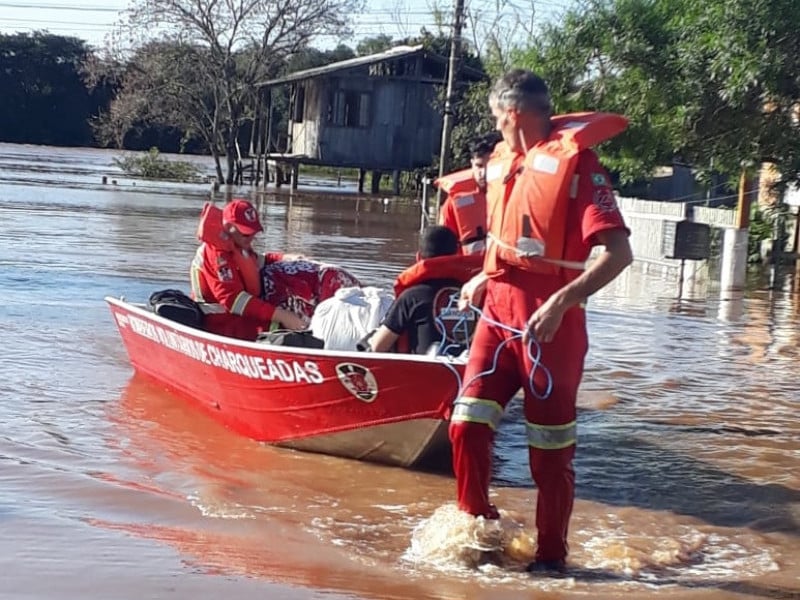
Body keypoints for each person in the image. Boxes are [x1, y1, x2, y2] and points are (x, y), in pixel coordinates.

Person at [448, 69, 633, 574]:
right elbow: (510, 241)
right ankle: (478, 529)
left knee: (549, 454)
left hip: (551, 328)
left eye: (494, 117)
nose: (495, 126)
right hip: (497, 316)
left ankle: (552, 559)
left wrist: (560, 303)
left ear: (511, 114)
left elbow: (619, 255)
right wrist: (484, 279)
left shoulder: (581, 166)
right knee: (465, 425)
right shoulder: (505, 161)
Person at [190, 199, 307, 340]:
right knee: (280, 330)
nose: (251, 238)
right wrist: (281, 315)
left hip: (236, 317)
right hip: (218, 323)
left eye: (253, 233)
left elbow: (259, 260)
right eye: (246, 234)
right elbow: (233, 300)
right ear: (228, 227)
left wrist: (285, 258)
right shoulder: (217, 254)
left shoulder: (238, 244)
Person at [367, 226, 483, 354]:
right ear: (457, 255)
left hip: (422, 370)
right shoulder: (475, 295)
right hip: (467, 368)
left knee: (369, 342)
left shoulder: (411, 297)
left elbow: (378, 346)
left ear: (418, 258)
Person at [436, 135, 498, 255]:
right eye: (479, 166)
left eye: (490, 166)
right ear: (472, 164)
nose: (483, 173)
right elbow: (442, 247)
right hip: (467, 270)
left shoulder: (514, 194)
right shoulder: (453, 202)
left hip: (503, 269)